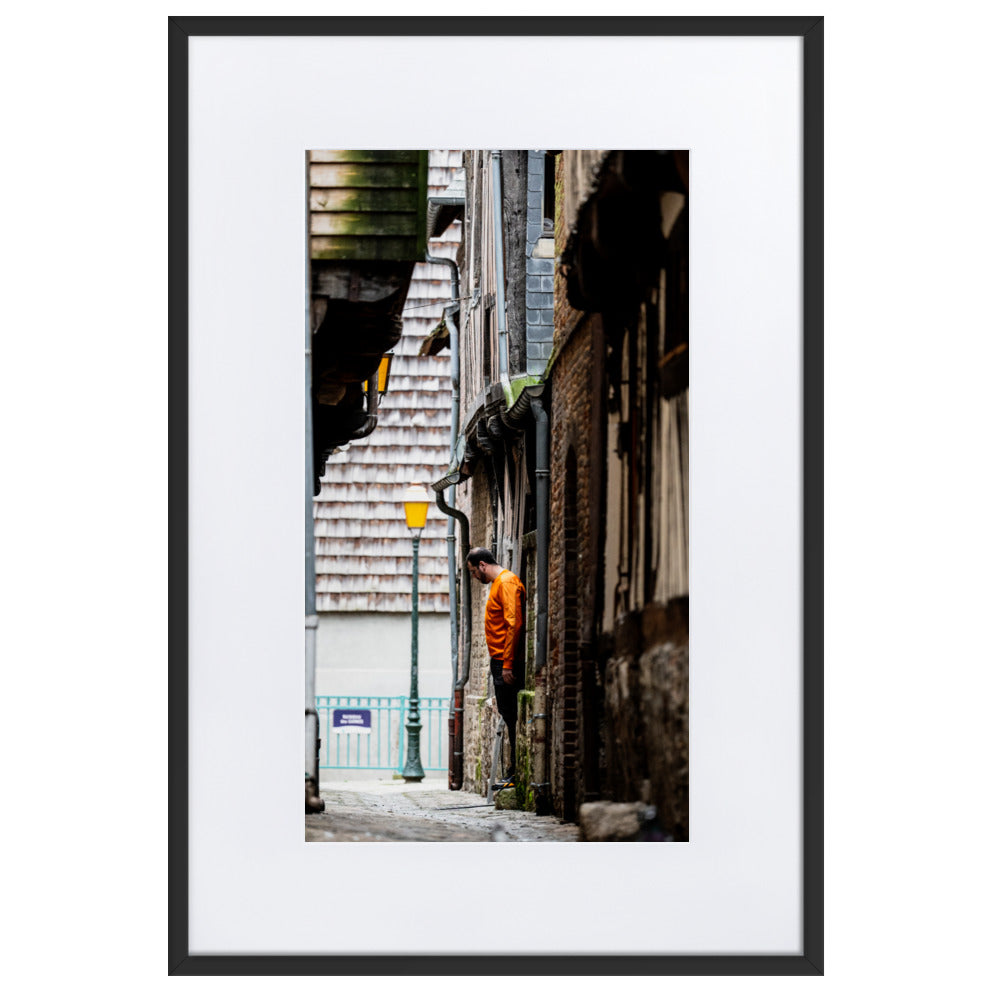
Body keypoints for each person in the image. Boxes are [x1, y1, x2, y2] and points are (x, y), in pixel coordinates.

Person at [467, 547, 526, 790]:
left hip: (505, 660)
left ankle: (514, 773)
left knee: (511, 715)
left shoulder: (506, 582)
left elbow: (514, 623)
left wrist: (508, 664)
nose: (474, 577)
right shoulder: (499, 584)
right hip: (500, 658)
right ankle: (512, 771)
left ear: (482, 565)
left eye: (472, 572)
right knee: (507, 712)